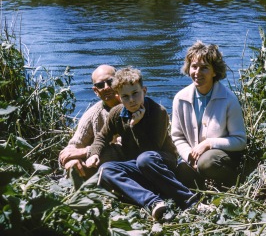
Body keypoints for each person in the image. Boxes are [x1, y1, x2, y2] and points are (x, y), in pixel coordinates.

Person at [85, 66, 199, 221]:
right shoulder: (116, 113)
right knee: (106, 169)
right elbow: (102, 137)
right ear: (118, 97)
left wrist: (135, 125)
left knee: (145, 159)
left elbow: (151, 149)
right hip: (137, 163)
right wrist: (94, 154)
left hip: (161, 162)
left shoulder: (158, 112)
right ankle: (154, 202)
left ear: (144, 91)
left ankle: (189, 200)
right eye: (125, 96)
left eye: (135, 94)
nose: (131, 100)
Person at [171, 40, 248, 190]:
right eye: (194, 67)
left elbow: (240, 141)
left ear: (214, 72)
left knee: (206, 162)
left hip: (221, 159)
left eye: (204, 68)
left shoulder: (229, 99)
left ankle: (234, 184)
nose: (197, 73)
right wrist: (189, 157)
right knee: (179, 171)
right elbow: (177, 136)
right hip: (194, 159)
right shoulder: (180, 98)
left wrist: (209, 144)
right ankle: (201, 193)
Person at [58, 64, 122, 188]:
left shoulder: (131, 106)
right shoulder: (93, 114)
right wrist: (70, 161)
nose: (107, 87)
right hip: (102, 167)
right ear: (95, 91)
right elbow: (71, 148)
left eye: (110, 82)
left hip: (128, 165)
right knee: (75, 166)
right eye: (100, 85)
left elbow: (125, 149)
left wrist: (86, 152)